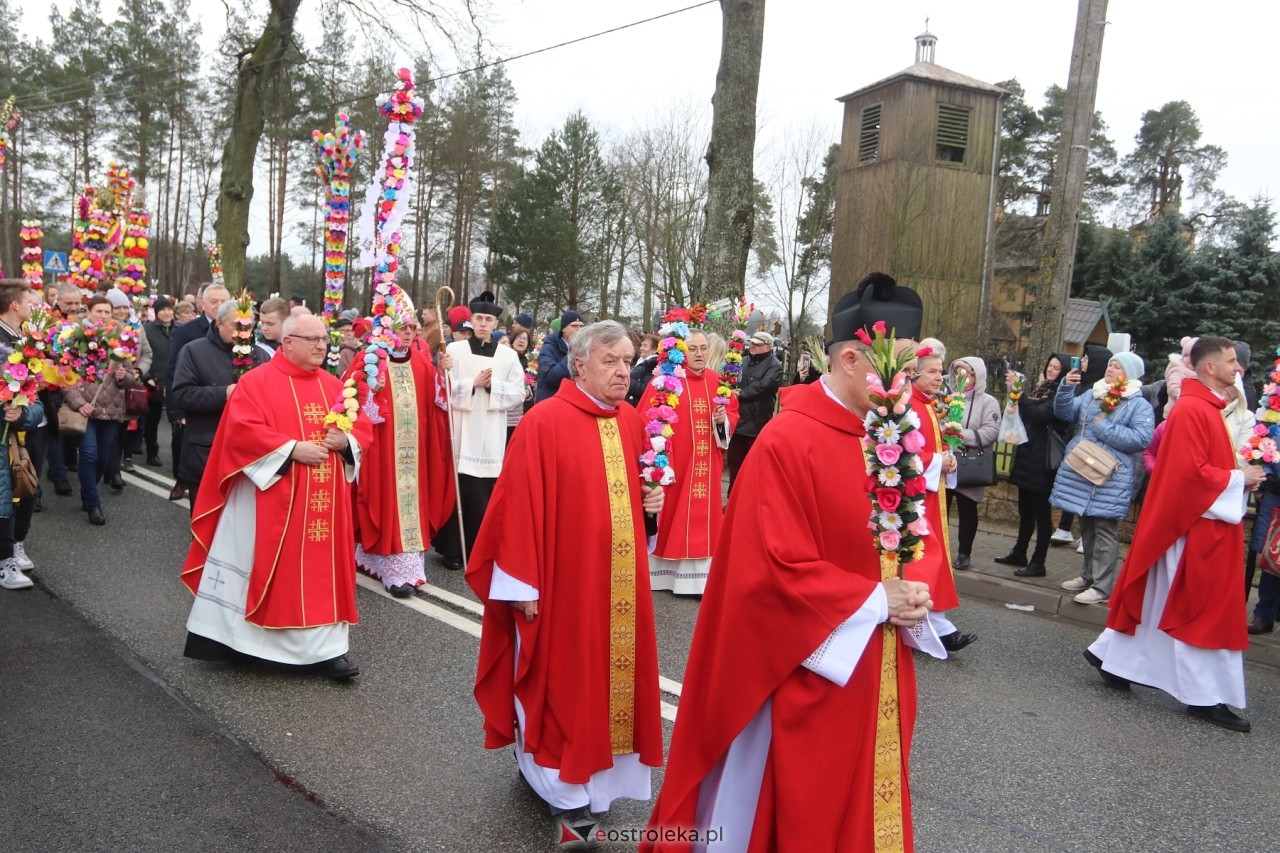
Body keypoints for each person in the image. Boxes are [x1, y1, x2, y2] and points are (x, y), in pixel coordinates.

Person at [643, 274, 932, 851]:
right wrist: (877, 599)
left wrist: (912, 588)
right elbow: (769, 570)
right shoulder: (788, 440)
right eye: (901, 366)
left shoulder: (886, 435)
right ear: (851, 358)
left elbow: (896, 538)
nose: (912, 382)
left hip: (872, 658)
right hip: (799, 665)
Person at [466, 320, 664, 826]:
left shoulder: (630, 421)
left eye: (626, 361)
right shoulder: (544, 422)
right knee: (562, 680)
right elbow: (516, 508)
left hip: (619, 581)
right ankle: (559, 784)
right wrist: (519, 585)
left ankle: (604, 781)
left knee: (612, 682)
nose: (623, 372)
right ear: (579, 365)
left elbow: (637, 493)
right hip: (562, 585)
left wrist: (652, 503)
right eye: (610, 362)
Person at [1086, 337, 1262, 733]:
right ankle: (1204, 695)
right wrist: (1239, 479)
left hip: (1198, 523)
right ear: (1209, 368)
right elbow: (1188, 476)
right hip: (1193, 529)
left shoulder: (1206, 408)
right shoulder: (1192, 410)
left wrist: (1239, 479)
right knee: (1197, 609)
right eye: (1232, 362)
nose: (1239, 368)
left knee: (1158, 601)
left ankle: (1115, 659)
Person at [181, 314, 372, 679]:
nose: (322, 346)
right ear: (287, 343)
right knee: (266, 567)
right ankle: (249, 645)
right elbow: (241, 432)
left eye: (324, 340)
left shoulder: (335, 385)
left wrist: (345, 442)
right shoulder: (256, 382)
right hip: (272, 499)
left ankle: (329, 651)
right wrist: (291, 450)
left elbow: (359, 427)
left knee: (323, 574)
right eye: (312, 339)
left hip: (324, 506)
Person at [344, 298, 456, 598]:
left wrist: (443, 377)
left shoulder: (420, 361)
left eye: (412, 328)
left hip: (414, 454)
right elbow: (348, 400)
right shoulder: (371, 358)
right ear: (388, 329)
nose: (408, 333)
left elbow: (437, 403)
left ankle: (405, 566)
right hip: (381, 450)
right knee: (382, 501)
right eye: (402, 328)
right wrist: (371, 391)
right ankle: (385, 562)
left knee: (409, 506)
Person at [1051, 351, 1154, 605]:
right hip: (1084, 469)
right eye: (1110, 364)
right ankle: (1087, 576)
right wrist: (1065, 388)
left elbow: (1141, 439)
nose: (1110, 369)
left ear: (1128, 374)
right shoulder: (1093, 393)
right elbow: (1065, 413)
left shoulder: (1137, 404)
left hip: (1111, 476)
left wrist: (1104, 428)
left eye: (1117, 366)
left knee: (1104, 530)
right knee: (1086, 524)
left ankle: (1102, 586)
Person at [436, 291, 525, 570]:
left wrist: (490, 386)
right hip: (462, 429)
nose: (483, 324)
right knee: (460, 486)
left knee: (484, 489)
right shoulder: (453, 351)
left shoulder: (509, 356)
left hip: (491, 432)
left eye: (488, 319)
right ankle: (453, 549)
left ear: (496, 324)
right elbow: (444, 390)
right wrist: (462, 379)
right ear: (471, 320)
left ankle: (481, 548)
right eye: (478, 318)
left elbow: (519, 393)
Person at [648, 329, 736, 597]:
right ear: (682, 353)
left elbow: (732, 415)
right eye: (693, 349)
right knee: (672, 511)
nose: (699, 354)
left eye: (703, 349)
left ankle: (697, 581)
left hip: (707, 462)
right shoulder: (668, 381)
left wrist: (722, 421)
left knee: (704, 518)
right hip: (678, 459)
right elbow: (648, 417)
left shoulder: (718, 382)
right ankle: (662, 576)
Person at [907, 343, 975, 652]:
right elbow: (905, 452)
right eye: (932, 371)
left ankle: (938, 623)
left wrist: (947, 460)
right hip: (915, 495)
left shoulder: (931, 405)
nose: (938, 377)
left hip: (930, 491)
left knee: (933, 556)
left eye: (940, 371)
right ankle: (931, 626)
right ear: (915, 372)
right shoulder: (909, 404)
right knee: (924, 556)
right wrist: (937, 462)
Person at [171, 300, 267, 512]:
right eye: (235, 325)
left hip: (249, 454)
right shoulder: (193, 351)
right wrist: (223, 393)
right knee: (206, 522)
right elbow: (181, 394)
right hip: (206, 449)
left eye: (248, 326)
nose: (242, 332)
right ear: (218, 323)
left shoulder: (261, 356)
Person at [61, 297, 143, 526]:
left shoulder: (121, 341)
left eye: (108, 311)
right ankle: (94, 504)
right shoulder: (75, 338)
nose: (104, 315)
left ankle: (89, 491)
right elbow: (66, 378)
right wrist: (79, 404)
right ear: (89, 311)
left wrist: (123, 376)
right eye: (99, 311)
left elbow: (130, 378)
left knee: (104, 458)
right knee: (88, 454)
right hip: (86, 410)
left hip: (111, 410)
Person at [994, 353, 1071, 577]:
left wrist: (1020, 392)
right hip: (1028, 455)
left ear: (1064, 372)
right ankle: (1019, 552)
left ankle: (1039, 561)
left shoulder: (1060, 394)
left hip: (1042, 460)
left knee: (1041, 514)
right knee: (1025, 511)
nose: (1051, 370)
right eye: (1050, 366)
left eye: (1057, 368)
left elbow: (1038, 415)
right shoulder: (1042, 389)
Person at [0, 282, 47, 589]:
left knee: (23, 485)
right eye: (30, 301)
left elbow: (34, 400)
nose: (34, 307)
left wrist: (22, 414)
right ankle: (5, 562)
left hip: (19, 433)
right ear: (15, 305)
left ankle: (14, 546)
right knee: (5, 493)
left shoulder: (23, 343)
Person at [167, 283, 230, 501]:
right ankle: (181, 479)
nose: (219, 306)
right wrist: (176, 412)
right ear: (202, 304)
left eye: (224, 302)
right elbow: (174, 371)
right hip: (200, 424)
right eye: (214, 302)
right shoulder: (188, 333)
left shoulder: (250, 347)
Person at [1050, 345, 1113, 548]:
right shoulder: (1083, 386)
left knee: (1090, 488)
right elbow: (1065, 411)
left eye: (1086, 359)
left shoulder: (1103, 391)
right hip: (1075, 443)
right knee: (1075, 486)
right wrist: (1066, 387)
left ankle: (1085, 536)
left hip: (1096, 450)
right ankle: (1065, 528)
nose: (1082, 362)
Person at [946, 355, 1000, 569]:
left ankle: (964, 552)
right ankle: (939, 548)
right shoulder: (948, 397)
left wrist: (960, 434)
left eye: (965, 373)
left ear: (976, 376)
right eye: (957, 371)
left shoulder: (989, 402)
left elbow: (990, 432)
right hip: (946, 462)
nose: (960, 376)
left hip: (969, 463)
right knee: (940, 508)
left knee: (967, 510)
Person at [726, 329, 782, 494]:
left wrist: (742, 393)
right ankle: (732, 496)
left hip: (757, 422)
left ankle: (748, 497)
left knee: (752, 464)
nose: (752, 347)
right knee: (734, 463)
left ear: (768, 346)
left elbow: (765, 386)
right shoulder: (743, 361)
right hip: (738, 419)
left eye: (757, 345)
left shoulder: (774, 365)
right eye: (752, 343)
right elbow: (731, 378)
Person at [142, 298, 176, 468]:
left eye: (169, 309)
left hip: (175, 382)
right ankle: (152, 451)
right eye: (162, 310)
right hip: (154, 381)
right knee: (152, 419)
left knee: (176, 419)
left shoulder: (179, 329)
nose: (166, 313)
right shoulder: (148, 329)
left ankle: (177, 453)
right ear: (156, 313)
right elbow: (143, 355)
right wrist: (147, 376)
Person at [535, 310, 584, 402]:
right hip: (551, 403)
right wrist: (572, 354)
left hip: (574, 402)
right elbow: (551, 377)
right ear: (563, 328)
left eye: (581, 326)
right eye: (574, 326)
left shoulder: (584, 348)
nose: (579, 330)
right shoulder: (548, 348)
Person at [503, 328, 534, 444]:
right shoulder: (508, 358)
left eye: (525, 338)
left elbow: (532, 381)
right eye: (519, 337)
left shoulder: (530, 362)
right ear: (512, 340)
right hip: (510, 414)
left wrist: (529, 391)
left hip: (524, 409)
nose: (521, 341)